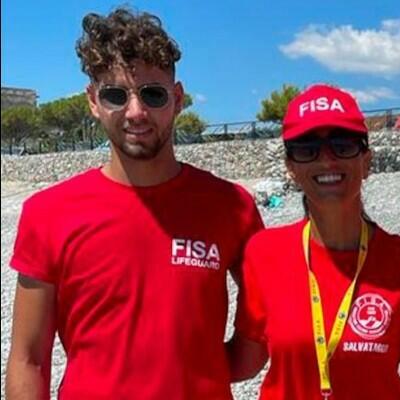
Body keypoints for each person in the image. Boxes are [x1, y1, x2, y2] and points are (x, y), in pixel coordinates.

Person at [4, 7, 263, 399]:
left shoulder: (232, 207)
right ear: (93, 101)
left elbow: (259, 329)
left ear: (176, 99)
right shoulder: (47, 213)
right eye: (115, 95)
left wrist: (203, 369)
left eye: (152, 94)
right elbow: (28, 360)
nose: (136, 112)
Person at [227, 84, 400, 399]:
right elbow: (244, 362)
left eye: (343, 145)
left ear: (367, 162)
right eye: (307, 148)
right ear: (291, 167)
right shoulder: (263, 254)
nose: (326, 161)